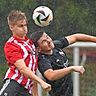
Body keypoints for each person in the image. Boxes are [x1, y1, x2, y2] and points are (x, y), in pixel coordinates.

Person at [0, 10, 51, 96]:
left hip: (26, 90)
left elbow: (32, 71)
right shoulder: (11, 45)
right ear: (11, 27)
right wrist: (41, 82)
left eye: (25, 25)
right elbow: (23, 69)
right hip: (14, 86)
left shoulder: (29, 43)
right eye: (20, 26)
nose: (24, 28)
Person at [30, 31, 96, 96]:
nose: (49, 41)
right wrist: (71, 68)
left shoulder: (56, 45)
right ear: (38, 49)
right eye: (44, 41)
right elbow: (50, 75)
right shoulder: (43, 60)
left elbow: (76, 37)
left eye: (47, 37)